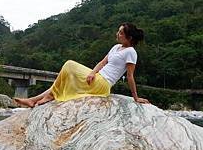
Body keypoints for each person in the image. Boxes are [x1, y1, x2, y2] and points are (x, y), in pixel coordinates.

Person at [14, 23, 150, 108]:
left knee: (69, 65)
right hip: (97, 77)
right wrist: (92, 73)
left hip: (103, 84)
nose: (117, 34)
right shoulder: (116, 47)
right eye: (118, 31)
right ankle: (34, 100)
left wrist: (136, 98)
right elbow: (102, 62)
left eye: (121, 33)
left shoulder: (131, 52)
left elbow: (130, 76)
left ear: (129, 37)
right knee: (64, 77)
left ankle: (44, 97)